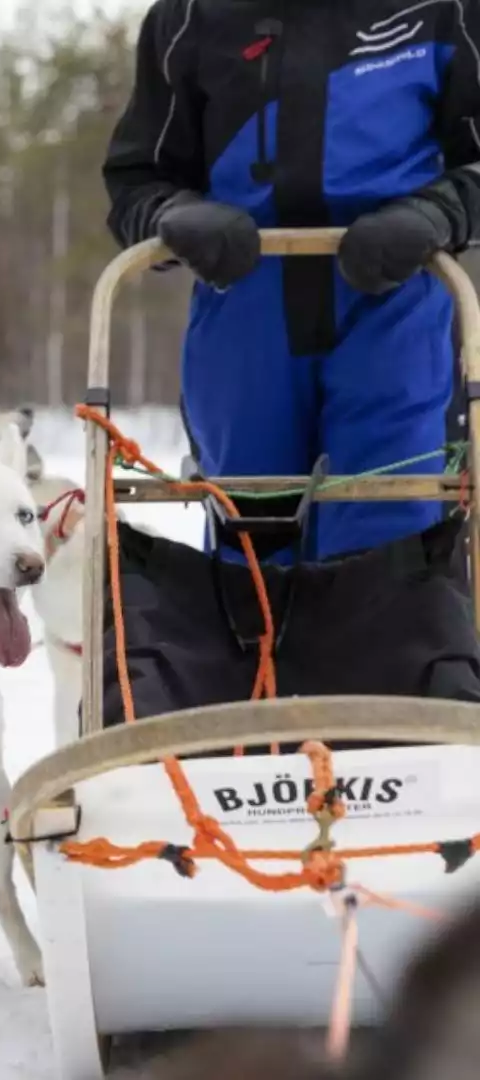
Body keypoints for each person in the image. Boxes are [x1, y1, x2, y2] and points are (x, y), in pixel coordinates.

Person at [96, 0, 480, 723]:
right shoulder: (190, 17)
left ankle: (394, 740)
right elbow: (136, 178)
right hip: (244, 309)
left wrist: (436, 213)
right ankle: (257, 740)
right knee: (250, 533)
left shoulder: (443, 11)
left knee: (387, 530)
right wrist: (175, 216)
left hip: (392, 303)